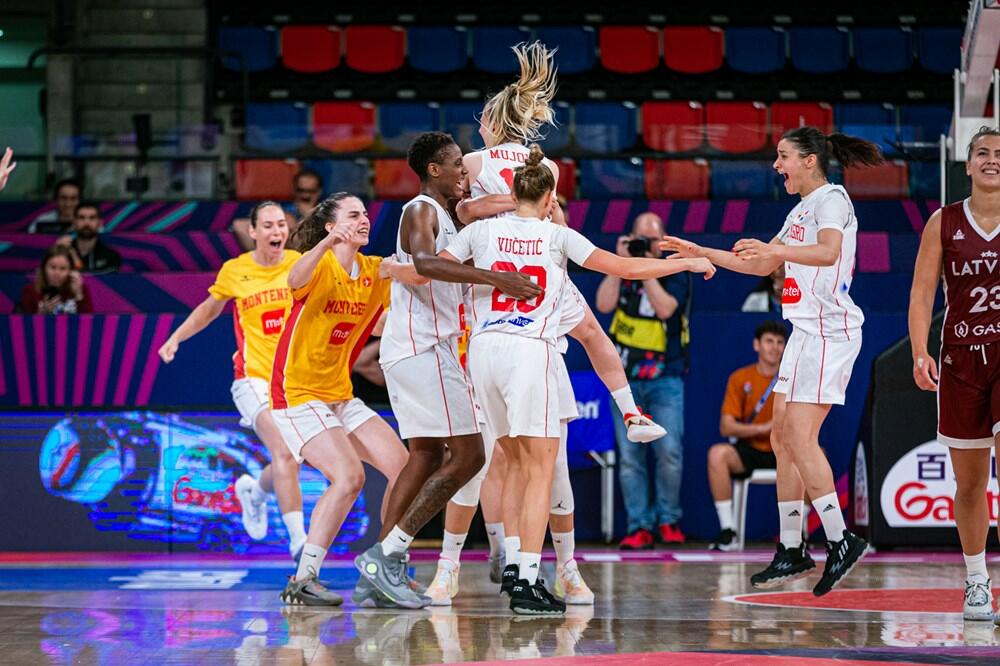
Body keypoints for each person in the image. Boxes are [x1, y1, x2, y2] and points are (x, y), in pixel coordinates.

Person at [441, 143, 714, 614]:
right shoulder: (557, 236)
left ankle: (510, 567)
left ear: (511, 194)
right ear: (551, 200)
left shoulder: (482, 230)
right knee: (540, 471)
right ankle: (528, 579)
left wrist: (404, 268)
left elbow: (438, 265)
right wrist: (685, 263)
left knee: (511, 464)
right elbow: (625, 267)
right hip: (530, 351)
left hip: (483, 351)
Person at [664, 126, 881, 596]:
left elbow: (828, 252)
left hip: (829, 332)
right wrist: (702, 253)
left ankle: (840, 540)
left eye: (783, 156)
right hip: (803, 332)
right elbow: (760, 264)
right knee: (782, 438)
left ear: (809, 160)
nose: (776, 165)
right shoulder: (800, 209)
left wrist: (776, 249)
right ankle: (791, 547)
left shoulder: (832, 200)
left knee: (800, 437)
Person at [354, 131, 542, 609]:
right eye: (457, 163)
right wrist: (496, 277)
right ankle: (386, 555)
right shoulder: (420, 209)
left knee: (422, 457)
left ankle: (380, 569)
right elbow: (424, 263)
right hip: (424, 346)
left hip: (414, 348)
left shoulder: (449, 218)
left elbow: (447, 270)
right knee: (470, 456)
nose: (464, 171)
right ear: (434, 169)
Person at [459, 41, 667, 447]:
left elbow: (464, 212)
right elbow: (555, 220)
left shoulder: (473, 161)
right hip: (540, 261)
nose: (479, 123)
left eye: (483, 117)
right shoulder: (547, 166)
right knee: (592, 334)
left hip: (495, 264)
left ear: (494, 120)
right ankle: (631, 413)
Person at [424, 190, 594, 608]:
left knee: (551, 470)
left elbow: (594, 337)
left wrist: (628, 408)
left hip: (537, 369)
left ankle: (564, 566)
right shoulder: (469, 267)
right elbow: (421, 272)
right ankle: (451, 566)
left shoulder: (555, 274)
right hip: (480, 370)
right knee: (476, 468)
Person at [269, 193, 412, 607]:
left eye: (365, 214)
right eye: (353, 215)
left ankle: (383, 567)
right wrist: (327, 244)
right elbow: (293, 280)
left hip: (340, 395)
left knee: (405, 469)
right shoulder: (318, 264)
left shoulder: (373, 270)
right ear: (332, 226)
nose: (364, 219)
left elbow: (387, 319)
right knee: (349, 477)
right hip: (297, 393)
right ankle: (303, 578)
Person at [158, 202, 307, 559]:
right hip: (252, 380)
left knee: (295, 455)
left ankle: (254, 491)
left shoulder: (299, 265)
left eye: (281, 225)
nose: (276, 231)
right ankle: (300, 544)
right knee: (285, 451)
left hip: (295, 383)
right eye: (268, 225)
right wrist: (176, 337)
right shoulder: (236, 270)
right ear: (253, 232)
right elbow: (209, 310)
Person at [909, 126, 1000, 622]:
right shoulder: (942, 222)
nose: (991, 160)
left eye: (999, 154)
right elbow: (923, 292)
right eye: (982, 153)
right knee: (970, 483)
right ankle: (977, 580)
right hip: (960, 358)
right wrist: (918, 351)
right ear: (967, 165)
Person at [596, 211, 692, 548]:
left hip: (666, 376)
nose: (645, 245)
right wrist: (619, 264)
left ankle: (668, 520)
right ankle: (639, 525)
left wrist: (645, 267)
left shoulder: (674, 269)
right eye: (640, 239)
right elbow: (603, 304)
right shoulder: (621, 267)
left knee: (670, 452)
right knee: (629, 458)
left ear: (662, 242)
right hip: (624, 379)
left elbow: (666, 309)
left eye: (651, 240)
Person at [707, 320, 788, 551]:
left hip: (783, 449)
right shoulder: (740, 377)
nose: (774, 347)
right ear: (756, 345)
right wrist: (762, 429)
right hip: (750, 449)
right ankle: (728, 531)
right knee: (717, 455)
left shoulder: (792, 379)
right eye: (769, 341)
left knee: (816, 454)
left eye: (780, 342)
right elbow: (726, 427)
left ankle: (798, 533)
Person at [232, 170, 323, 251]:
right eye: (301, 190)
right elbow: (238, 225)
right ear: (294, 190)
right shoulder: (282, 210)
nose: (305, 195)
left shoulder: (325, 211)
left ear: (319, 191)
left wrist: (306, 215)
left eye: (311, 191)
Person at [19, 244, 92, 314]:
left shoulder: (80, 289)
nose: (57, 273)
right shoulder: (30, 291)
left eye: (63, 268)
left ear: (70, 271)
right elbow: (24, 322)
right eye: (53, 267)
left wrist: (78, 294)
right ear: (44, 268)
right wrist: (41, 314)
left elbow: (90, 321)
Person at [56, 202, 122, 274]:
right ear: (74, 222)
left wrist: (74, 256)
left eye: (92, 218)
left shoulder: (111, 257)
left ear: (100, 223)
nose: (86, 222)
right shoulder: (63, 251)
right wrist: (57, 252)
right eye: (81, 217)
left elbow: (94, 278)